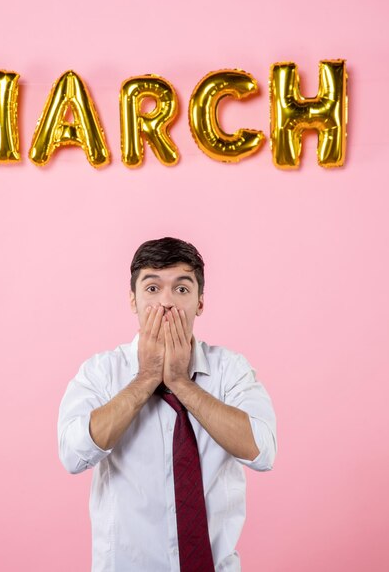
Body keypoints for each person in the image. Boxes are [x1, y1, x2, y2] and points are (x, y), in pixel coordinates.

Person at [58, 237, 277, 572]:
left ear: (200, 302)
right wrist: (146, 378)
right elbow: (73, 454)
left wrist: (181, 383)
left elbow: (262, 450)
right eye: (151, 289)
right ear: (132, 300)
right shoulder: (101, 373)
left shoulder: (231, 370)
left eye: (181, 289)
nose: (166, 304)